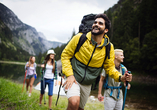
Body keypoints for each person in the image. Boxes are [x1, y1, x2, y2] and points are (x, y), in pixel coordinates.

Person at [61, 13, 132, 110]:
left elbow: (110, 68)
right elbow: (65, 55)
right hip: (73, 77)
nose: (96, 24)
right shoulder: (80, 38)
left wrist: (121, 77)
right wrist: (69, 75)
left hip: (87, 83)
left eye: (100, 23)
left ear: (106, 30)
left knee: (79, 108)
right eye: (95, 22)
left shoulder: (108, 47)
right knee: (74, 102)